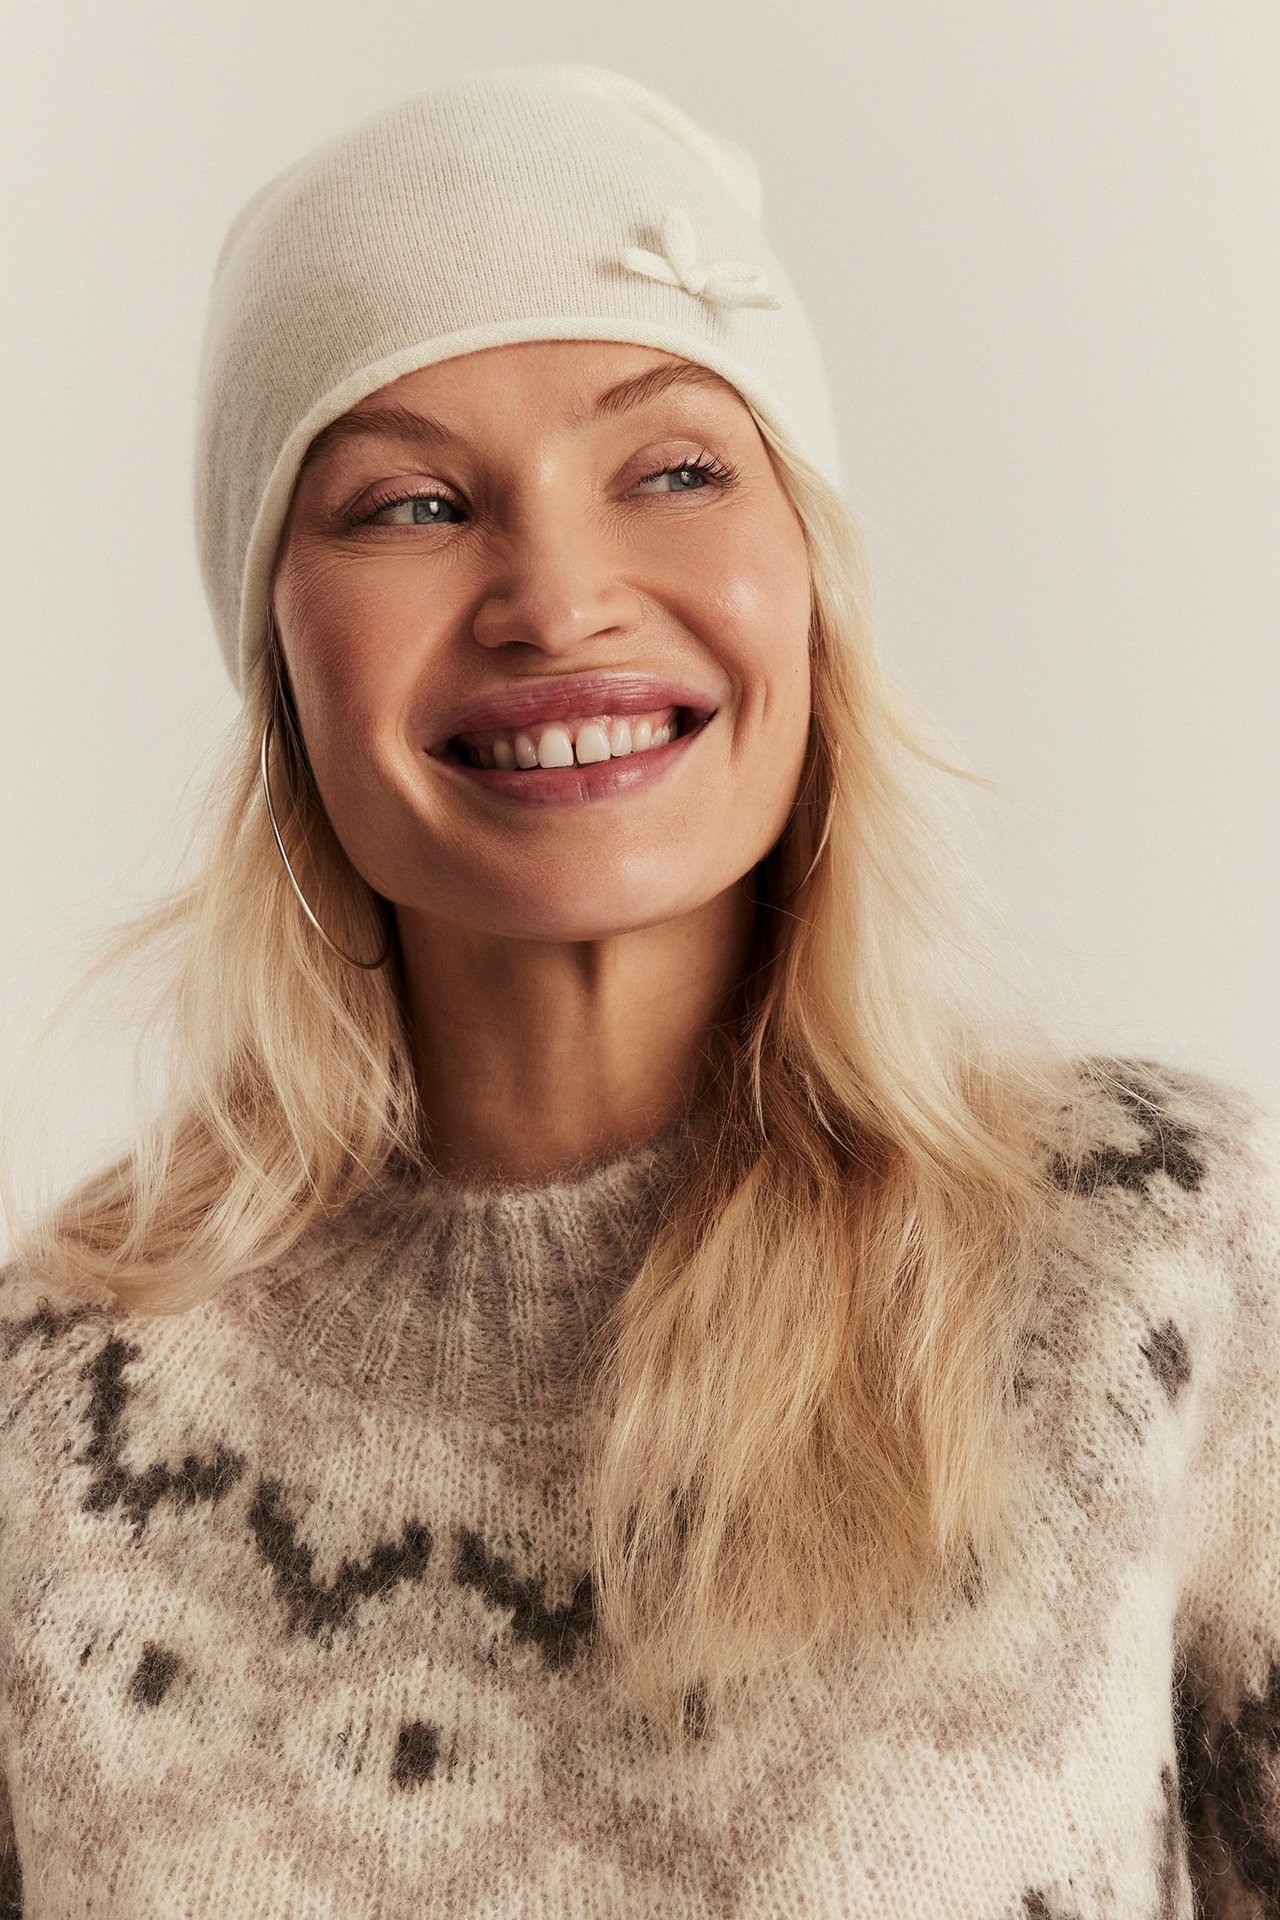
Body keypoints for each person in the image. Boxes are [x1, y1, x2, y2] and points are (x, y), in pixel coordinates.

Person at [1, 61, 1276, 1920]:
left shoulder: (1158, 1272)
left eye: (675, 468)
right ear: (279, 654)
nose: (558, 594)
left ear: (807, 581)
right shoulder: (45, 1425)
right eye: (409, 504)